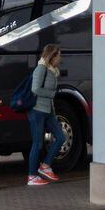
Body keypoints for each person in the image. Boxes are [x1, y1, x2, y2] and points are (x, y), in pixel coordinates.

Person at [26, 43, 65, 187]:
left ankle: (46, 166)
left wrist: (52, 108)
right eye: (59, 55)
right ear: (52, 55)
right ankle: (31, 176)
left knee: (61, 137)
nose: (60, 58)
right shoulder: (41, 69)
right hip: (37, 111)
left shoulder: (52, 71)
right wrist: (52, 94)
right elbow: (35, 89)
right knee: (37, 143)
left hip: (48, 111)